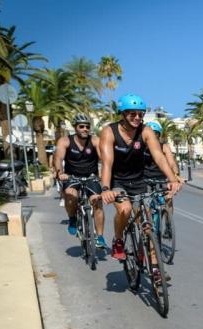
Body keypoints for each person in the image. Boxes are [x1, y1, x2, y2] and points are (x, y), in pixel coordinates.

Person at [99, 94, 181, 283]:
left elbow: (159, 156)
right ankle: (118, 240)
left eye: (140, 114)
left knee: (147, 226)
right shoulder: (109, 132)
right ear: (123, 114)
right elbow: (107, 164)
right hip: (117, 181)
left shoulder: (145, 131)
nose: (137, 118)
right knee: (125, 209)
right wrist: (105, 188)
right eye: (132, 114)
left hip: (139, 181)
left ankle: (156, 269)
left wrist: (172, 179)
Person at [52, 113, 107, 249]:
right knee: (71, 195)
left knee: (97, 202)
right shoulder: (65, 141)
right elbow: (58, 159)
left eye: (87, 126)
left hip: (91, 177)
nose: (85, 129)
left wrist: (105, 174)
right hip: (71, 177)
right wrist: (60, 173)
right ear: (75, 127)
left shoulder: (95, 140)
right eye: (81, 126)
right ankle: (72, 218)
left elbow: (104, 159)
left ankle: (100, 237)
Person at [144, 121, 181, 216]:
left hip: (161, 178)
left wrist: (176, 175)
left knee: (168, 200)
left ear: (159, 135)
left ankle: (169, 221)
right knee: (146, 204)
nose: (153, 136)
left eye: (155, 134)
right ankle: (148, 224)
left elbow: (172, 163)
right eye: (151, 134)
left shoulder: (164, 147)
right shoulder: (140, 147)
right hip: (145, 179)